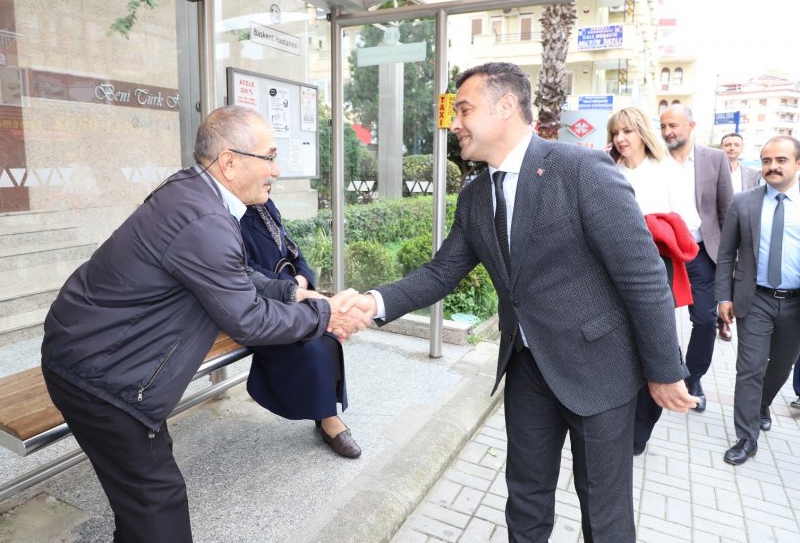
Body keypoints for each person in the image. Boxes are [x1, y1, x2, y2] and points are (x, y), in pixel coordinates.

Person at [350, 62, 697, 542]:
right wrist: (371, 302)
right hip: (528, 368)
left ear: (506, 106)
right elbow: (441, 272)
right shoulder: (475, 196)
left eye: (465, 109)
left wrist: (663, 370)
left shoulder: (579, 170)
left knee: (604, 513)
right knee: (526, 500)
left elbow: (642, 277)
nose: (456, 123)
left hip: (599, 369)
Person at [40, 106, 370, 542]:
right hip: (102, 377)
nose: (278, 169)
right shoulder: (206, 217)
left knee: (144, 505)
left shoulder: (195, 194)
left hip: (93, 355)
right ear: (230, 162)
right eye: (269, 156)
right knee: (157, 508)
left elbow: (225, 274)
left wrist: (294, 293)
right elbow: (248, 320)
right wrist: (327, 314)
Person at [607, 107, 699, 457]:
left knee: (657, 346)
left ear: (643, 133)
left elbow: (687, 224)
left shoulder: (667, 172)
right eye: (616, 132)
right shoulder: (606, 169)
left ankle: (640, 430)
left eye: (628, 131)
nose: (621, 139)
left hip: (653, 269)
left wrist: (654, 225)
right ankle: (618, 423)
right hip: (609, 271)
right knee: (618, 347)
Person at [240, 196, 361, 458]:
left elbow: (293, 251)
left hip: (291, 292)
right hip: (261, 303)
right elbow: (244, 272)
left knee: (328, 338)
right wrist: (292, 288)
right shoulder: (229, 214)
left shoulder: (266, 205)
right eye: (268, 160)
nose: (273, 172)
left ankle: (326, 413)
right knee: (312, 347)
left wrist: (303, 277)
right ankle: (328, 419)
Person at [715, 135, 800, 465]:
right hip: (756, 299)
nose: (772, 166)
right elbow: (726, 255)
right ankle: (746, 437)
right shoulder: (744, 202)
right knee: (749, 368)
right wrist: (723, 296)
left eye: (780, 160)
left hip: (795, 303)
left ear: (797, 164)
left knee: (782, 365)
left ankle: (763, 403)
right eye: (766, 161)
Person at [660, 103, 734, 411]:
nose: (667, 132)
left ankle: (694, 378)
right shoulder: (655, 158)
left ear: (691, 125)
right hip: (662, 253)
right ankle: (667, 372)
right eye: (663, 126)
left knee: (704, 320)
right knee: (657, 318)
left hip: (702, 253)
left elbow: (726, 211)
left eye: (673, 126)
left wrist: (731, 264)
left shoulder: (714, 159)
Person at [717, 132, 759, 341]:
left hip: (743, 233)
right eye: (727, 144)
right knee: (721, 270)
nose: (732, 148)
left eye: (736, 145)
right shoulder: (713, 170)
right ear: (721, 147)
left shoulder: (752, 174)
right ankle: (720, 317)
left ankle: (725, 320)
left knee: (738, 273)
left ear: (742, 148)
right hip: (718, 232)